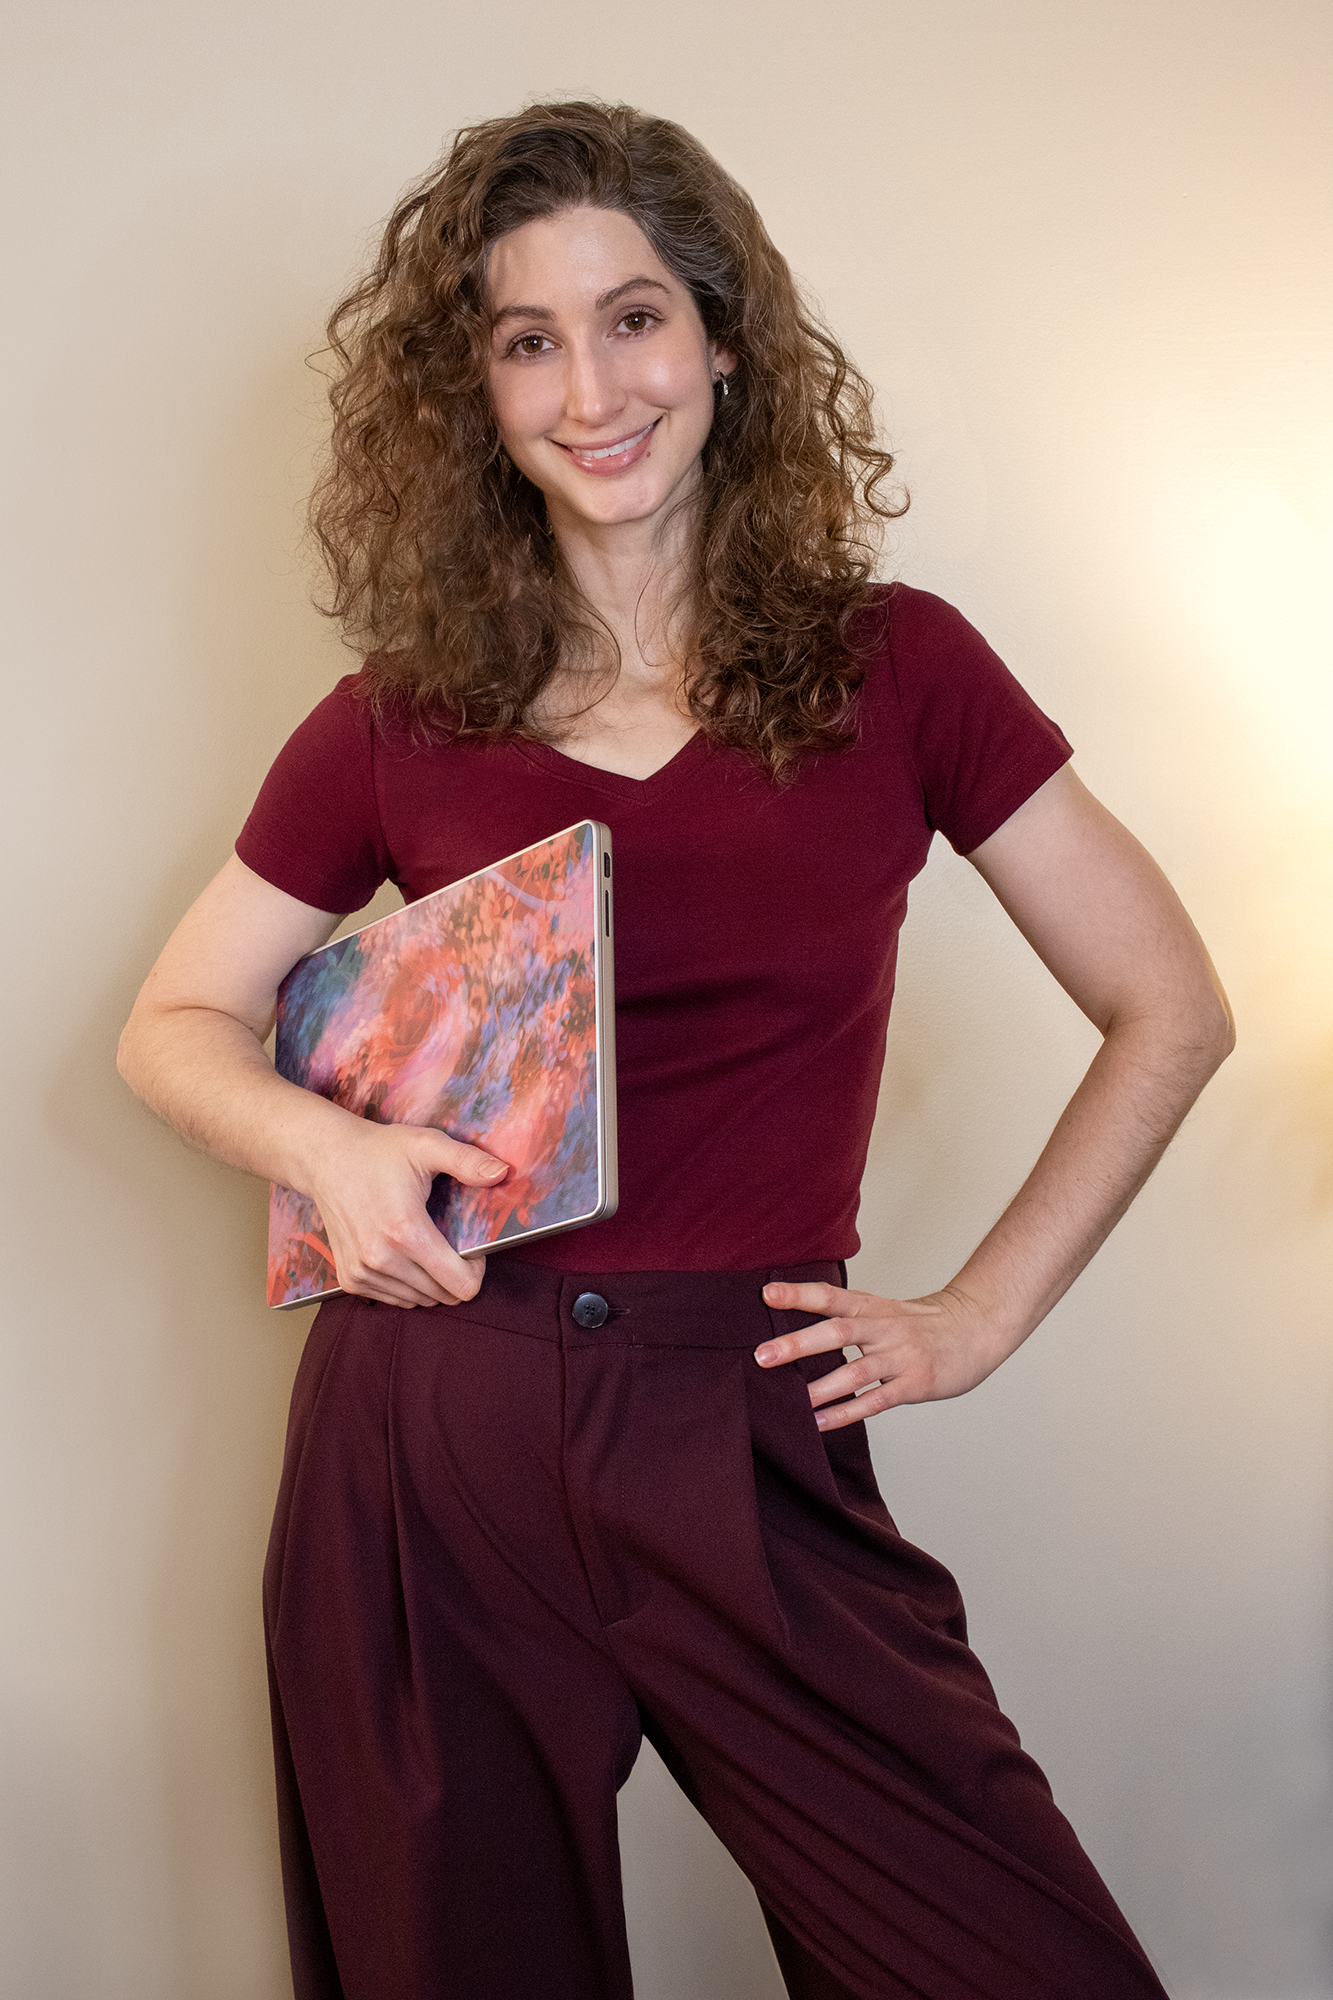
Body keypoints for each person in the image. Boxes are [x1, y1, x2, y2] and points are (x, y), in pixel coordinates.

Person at [118, 100, 1232, 2000]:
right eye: (525, 341)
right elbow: (173, 1023)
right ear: (473, 397)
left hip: (747, 1422)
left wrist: (973, 1317)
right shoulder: (401, 716)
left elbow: (1172, 1005)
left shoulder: (906, 669)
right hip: (431, 1430)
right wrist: (327, 1153)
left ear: (724, 340)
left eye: (634, 319)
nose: (589, 387)